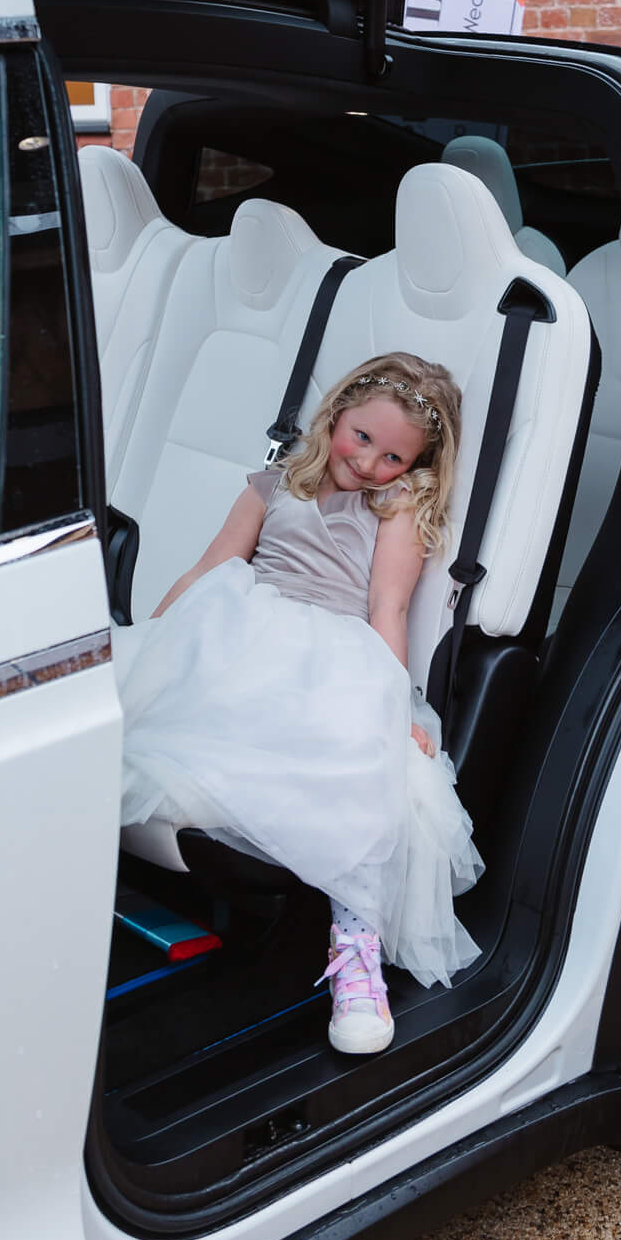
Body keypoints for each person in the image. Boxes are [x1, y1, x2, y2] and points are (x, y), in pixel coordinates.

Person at [118, 352, 482, 1055]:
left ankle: (356, 954)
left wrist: (399, 706)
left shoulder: (396, 506)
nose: (371, 462)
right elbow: (213, 566)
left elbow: (388, 605)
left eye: (394, 455)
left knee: (355, 768)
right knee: (155, 714)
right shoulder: (275, 482)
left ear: (415, 465)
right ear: (337, 414)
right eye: (362, 437)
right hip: (240, 625)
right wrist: (153, 639)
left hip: (331, 653)